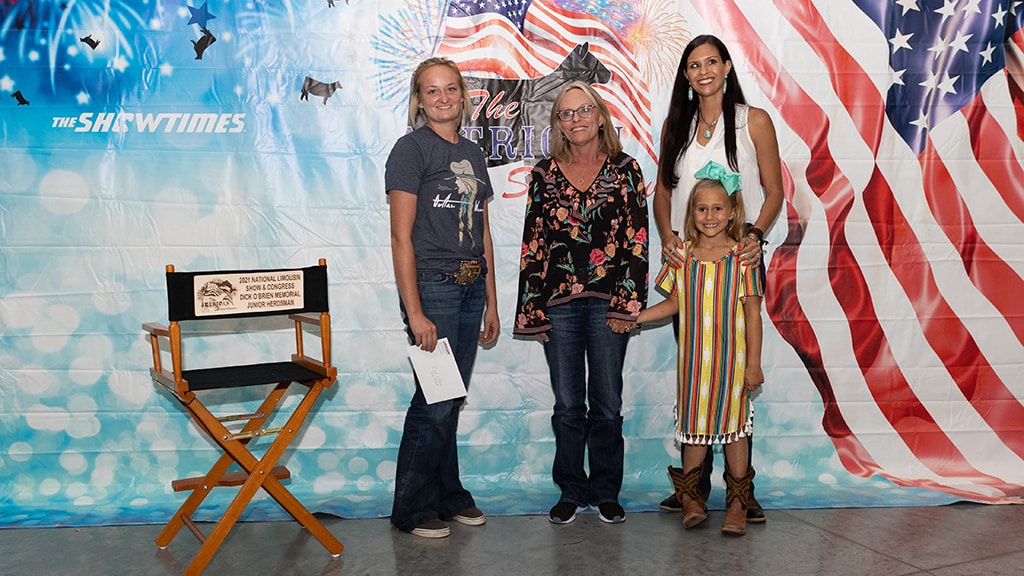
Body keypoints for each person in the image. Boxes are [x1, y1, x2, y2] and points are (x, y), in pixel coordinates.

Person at [652, 34, 783, 522]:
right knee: (699, 373)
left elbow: (774, 192)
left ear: (727, 67)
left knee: (735, 372)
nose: (703, 71)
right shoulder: (676, 125)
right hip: (691, 261)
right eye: (693, 65)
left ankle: (738, 493)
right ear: (685, 76)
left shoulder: (754, 122)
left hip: (739, 257)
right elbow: (663, 194)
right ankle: (693, 491)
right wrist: (668, 237)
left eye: (712, 62)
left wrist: (754, 234)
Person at [514, 81, 649, 525]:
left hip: (610, 301)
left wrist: (627, 304)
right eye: (566, 113)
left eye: (584, 110)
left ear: (600, 115)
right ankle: (571, 489)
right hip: (559, 305)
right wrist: (532, 308)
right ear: (557, 123)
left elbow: (636, 241)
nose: (576, 119)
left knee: (607, 403)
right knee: (568, 405)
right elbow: (533, 244)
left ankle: (606, 490)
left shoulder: (627, 170)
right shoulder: (543, 174)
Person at [385, 57, 500, 539]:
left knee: (450, 399)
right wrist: (415, 312)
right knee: (434, 400)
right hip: (433, 286)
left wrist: (492, 300)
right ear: (419, 99)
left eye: (450, 88)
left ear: (463, 95)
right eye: (431, 91)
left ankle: (449, 495)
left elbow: (484, 232)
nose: (443, 98)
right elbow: (400, 237)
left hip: (472, 286)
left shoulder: (473, 154)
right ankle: (411, 509)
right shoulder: (410, 150)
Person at [639, 162, 764, 535]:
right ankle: (692, 499)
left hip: (733, 365)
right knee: (694, 430)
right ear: (691, 214)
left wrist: (753, 365)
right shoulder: (685, 258)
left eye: (718, 208)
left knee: (735, 433)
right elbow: (674, 304)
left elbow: (753, 314)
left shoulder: (744, 258)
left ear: (732, 212)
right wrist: (636, 318)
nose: (710, 216)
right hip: (694, 367)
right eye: (701, 208)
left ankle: (737, 505)